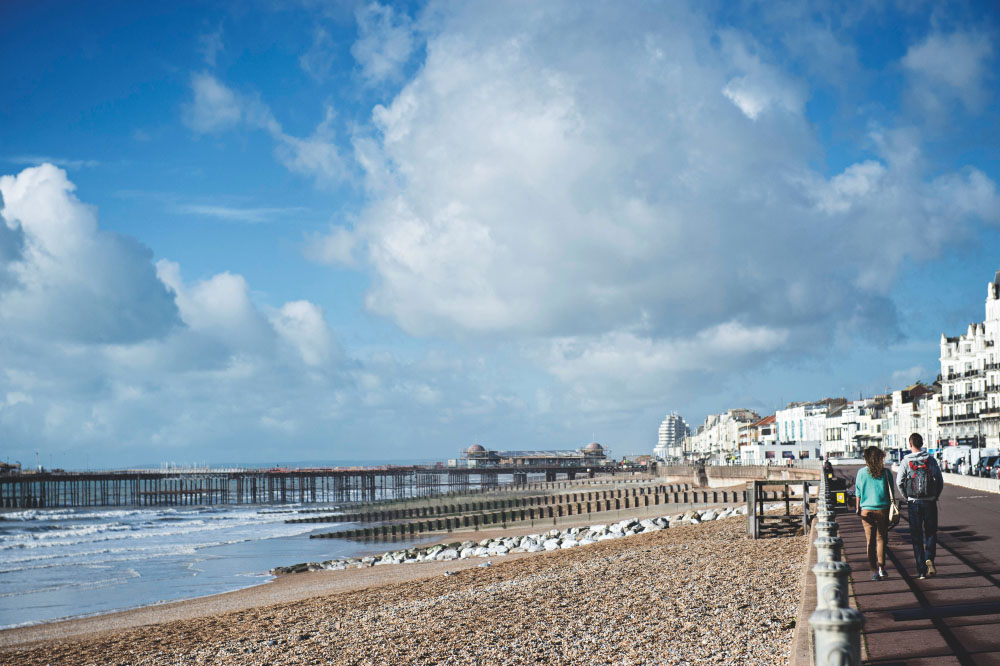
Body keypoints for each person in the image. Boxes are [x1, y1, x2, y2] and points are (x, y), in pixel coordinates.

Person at [896, 433, 943, 580]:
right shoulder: (930, 460)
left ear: (910, 445)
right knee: (931, 532)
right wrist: (936, 495)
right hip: (929, 502)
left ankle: (921, 571)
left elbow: (899, 482)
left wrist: (906, 496)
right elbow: (940, 481)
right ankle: (929, 557)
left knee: (916, 536)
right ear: (922, 444)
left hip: (914, 502)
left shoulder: (905, 461)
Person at [855, 446, 895, 581]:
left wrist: (857, 508)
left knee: (869, 542)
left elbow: (858, 492)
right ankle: (882, 568)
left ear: (866, 458)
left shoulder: (861, 473)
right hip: (883, 509)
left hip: (866, 510)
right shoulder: (886, 473)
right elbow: (891, 493)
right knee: (881, 539)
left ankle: (874, 571)